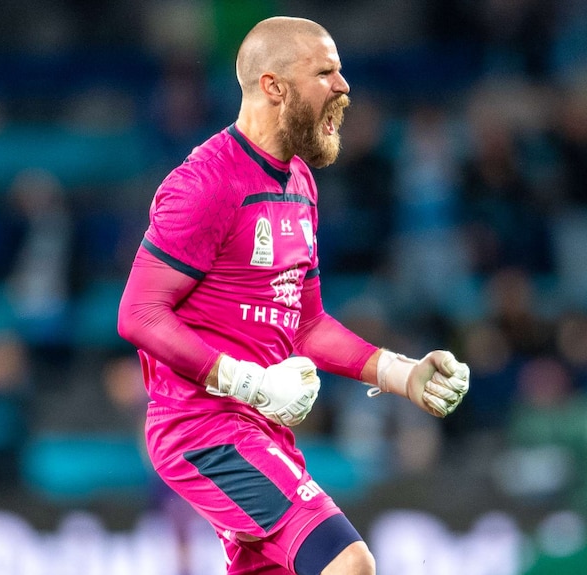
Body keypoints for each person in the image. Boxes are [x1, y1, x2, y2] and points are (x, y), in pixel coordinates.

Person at [117, 16, 470, 575]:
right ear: (274, 86)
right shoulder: (205, 183)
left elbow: (304, 325)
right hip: (204, 427)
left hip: (261, 426)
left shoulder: (300, 182)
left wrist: (403, 374)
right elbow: (138, 314)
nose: (344, 86)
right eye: (326, 72)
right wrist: (247, 380)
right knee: (348, 563)